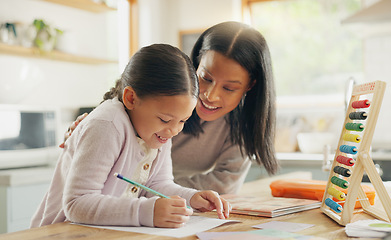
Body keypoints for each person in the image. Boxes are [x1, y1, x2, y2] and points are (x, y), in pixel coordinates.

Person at [62, 21, 278, 195]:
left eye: (229, 88)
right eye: (205, 78)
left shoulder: (241, 126)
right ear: (195, 64)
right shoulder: (156, 100)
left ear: (250, 86)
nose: (210, 95)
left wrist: (152, 188)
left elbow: (224, 184)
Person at [31, 44, 230, 229]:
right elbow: (77, 203)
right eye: (164, 119)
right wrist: (145, 211)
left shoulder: (160, 132)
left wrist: (192, 198)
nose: (174, 131)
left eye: (183, 121)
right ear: (130, 98)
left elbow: (157, 185)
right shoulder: (107, 125)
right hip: (60, 232)